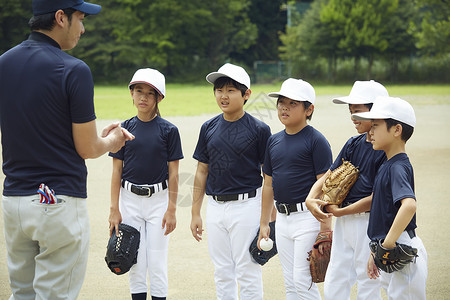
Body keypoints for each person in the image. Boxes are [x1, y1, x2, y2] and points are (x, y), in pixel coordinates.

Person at [0, 1, 134, 299]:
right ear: (61, 18)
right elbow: (87, 148)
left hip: (14, 202)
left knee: (21, 293)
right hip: (57, 201)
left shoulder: (4, 63)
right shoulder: (73, 69)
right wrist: (114, 140)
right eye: (80, 19)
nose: (83, 28)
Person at [190, 63, 271, 300]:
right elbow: (201, 171)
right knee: (222, 271)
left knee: (248, 269)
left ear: (246, 94)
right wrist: (195, 212)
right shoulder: (208, 128)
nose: (223, 96)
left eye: (231, 90)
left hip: (247, 206)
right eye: (219, 90)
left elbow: (269, 176)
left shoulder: (259, 129)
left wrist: (267, 217)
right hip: (215, 207)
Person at [305, 80, 388, 300]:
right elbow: (329, 177)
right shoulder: (353, 143)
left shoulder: (386, 149)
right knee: (335, 279)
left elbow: (378, 197)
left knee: (367, 280)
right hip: (344, 223)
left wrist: (340, 211)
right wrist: (311, 198)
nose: (353, 117)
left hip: (368, 222)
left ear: (377, 110)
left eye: (358, 111)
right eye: (351, 111)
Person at [108, 68, 183, 300]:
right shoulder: (124, 129)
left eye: (150, 93)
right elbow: (116, 172)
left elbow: (174, 173)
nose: (143, 97)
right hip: (129, 200)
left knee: (157, 261)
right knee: (133, 259)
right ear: (131, 93)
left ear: (159, 97)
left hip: (159, 202)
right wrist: (114, 209)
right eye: (138, 91)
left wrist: (172, 209)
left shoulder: (169, 130)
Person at [259, 78, 332, 299]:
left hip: (308, 218)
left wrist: (326, 229)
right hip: (282, 219)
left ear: (309, 109)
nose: (284, 107)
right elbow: (268, 184)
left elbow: (325, 188)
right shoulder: (274, 141)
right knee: (290, 282)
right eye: (281, 102)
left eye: (293, 104)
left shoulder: (316, 141)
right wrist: (264, 222)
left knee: (302, 280)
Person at [352, 97, 427, 299]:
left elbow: (409, 205)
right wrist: (375, 251)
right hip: (391, 246)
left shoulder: (397, 166)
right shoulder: (387, 163)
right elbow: (385, 213)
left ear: (396, 130)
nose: (370, 131)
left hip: (400, 247)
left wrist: (386, 245)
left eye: (376, 125)